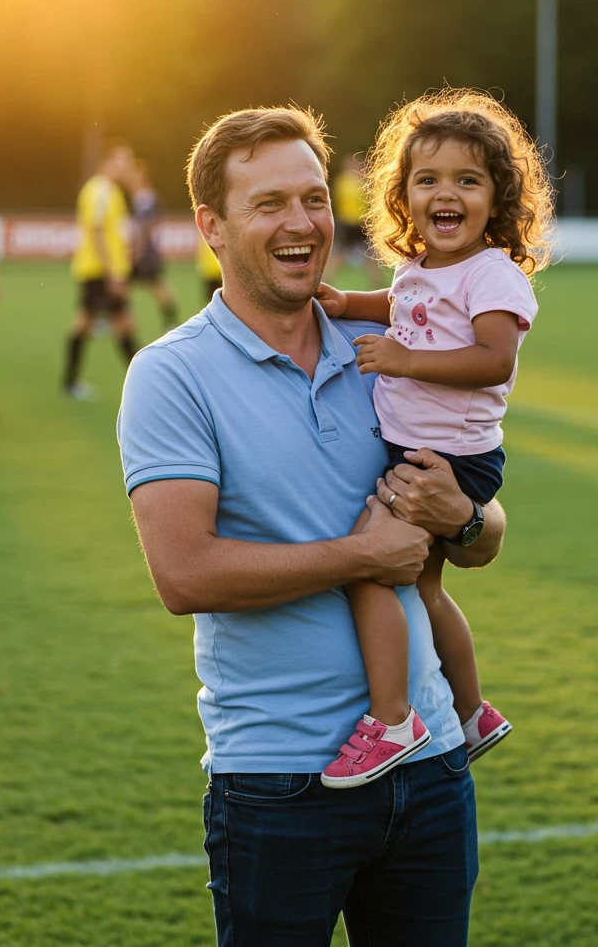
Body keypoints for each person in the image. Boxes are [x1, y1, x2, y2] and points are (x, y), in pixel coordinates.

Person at [118, 106, 506, 946]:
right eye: (269, 205)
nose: (302, 224)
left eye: (314, 198)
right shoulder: (171, 375)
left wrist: (464, 515)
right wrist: (360, 555)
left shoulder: (390, 339)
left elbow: (483, 537)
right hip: (279, 781)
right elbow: (184, 575)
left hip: (433, 766)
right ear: (211, 228)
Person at [314, 89, 552, 788]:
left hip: (445, 458)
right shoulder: (420, 267)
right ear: (403, 196)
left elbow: (493, 360)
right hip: (419, 449)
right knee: (420, 588)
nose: (446, 194)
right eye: (428, 180)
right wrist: (347, 304)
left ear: (497, 199)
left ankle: (391, 720)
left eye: (467, 180)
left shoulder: (494, 274)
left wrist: (402, 359)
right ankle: (473, 713)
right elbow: (402, 304)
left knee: (366, 566)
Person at [62, 138, 138, 400]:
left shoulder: (110, 190)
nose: (126, 166)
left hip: (104, 270)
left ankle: (141, 381)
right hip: (98, 271)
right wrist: (112, 272)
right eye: (122, 160)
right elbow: (96, 230)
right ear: (107, 162)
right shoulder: (100, 190)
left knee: (121, 324)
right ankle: (70, 382)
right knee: (92, 324)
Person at [127, 158, 179, 334]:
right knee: (150, 285)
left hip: (145, 251)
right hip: (147, 249)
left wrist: (137, 250)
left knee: (156, 285)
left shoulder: (145, 197)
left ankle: (170, 321)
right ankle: (113, 317)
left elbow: (146, 226)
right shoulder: (142, 196)